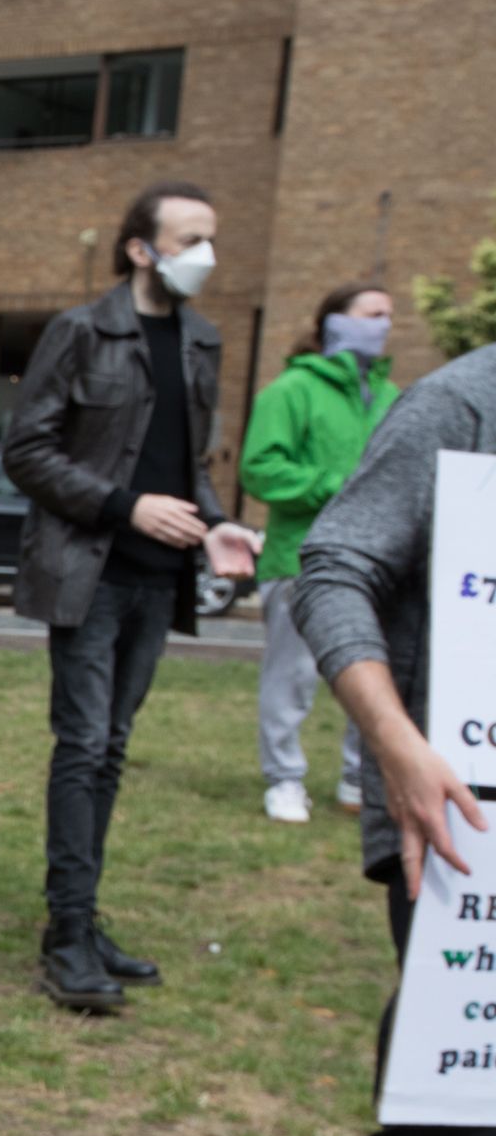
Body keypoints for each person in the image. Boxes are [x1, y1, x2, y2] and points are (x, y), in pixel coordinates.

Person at [267, 340, 496, 1136]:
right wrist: (397, 744)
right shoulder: (461, 404)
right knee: (453, 1115)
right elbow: (335, 567)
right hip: (452, 819)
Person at [0, 180, 259, 1013]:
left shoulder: (201, 342)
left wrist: (216, 524)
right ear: (141, 249)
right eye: (189, 240)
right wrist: (124, 506)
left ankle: (82, 921)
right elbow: (26, 450)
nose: (206, 256)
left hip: (159, 581)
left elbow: (189, 465)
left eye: (211, 238)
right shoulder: (82, 331)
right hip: (89, 573)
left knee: (109, 749)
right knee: (81, 747)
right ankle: (67, 937)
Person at [240, 283, 397, 823]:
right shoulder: (291, 391)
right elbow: (260, 469)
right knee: (294, 677)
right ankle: (284, 779)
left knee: (373, 674)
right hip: (299, 559)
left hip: (378, 564)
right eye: (372, 314)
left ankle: (359, 777)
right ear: (334, 321)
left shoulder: (393, 397)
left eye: (389, 316)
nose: (384, 324)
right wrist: (341, 484)